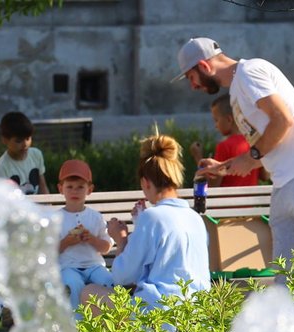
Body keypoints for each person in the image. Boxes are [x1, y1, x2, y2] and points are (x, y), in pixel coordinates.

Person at [172, 37, 294, 291]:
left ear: (204, 66)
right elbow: (269, 143)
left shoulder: (249, 73)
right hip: (285, 183)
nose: (192, 86)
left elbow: (282, 119)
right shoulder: (239, 86)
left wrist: (251, 156)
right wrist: (224, 166)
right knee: (286, 275)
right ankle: (290, 328)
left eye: (190, 77)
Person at [81, 134, 210, 314]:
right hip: (196, 316)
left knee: (89, 293)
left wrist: (121, 239)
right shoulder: (194, 218)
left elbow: (122, 277)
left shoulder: (152, 217)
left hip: (160, 319)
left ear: (145, 182)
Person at [55, 159, 113, 312]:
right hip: (69, 266)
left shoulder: (95, 217)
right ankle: (79, 326)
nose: (75, 191)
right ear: (61, 188)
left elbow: (106, 247)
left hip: (94, 265)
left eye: (80, 187)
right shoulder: (56, 219)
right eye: (70, 187)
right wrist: (67, 242)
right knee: (72, 284)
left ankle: (113, 323)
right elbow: (50, 251)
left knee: (108, 281)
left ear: (89, 189)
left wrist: (92, 239)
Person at [189, 95, 262, 187]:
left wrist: (198, 157)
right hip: (252, 199)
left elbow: (213, 185)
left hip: (228, 200)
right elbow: (264, 176)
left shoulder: (224, 146)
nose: (216, 125)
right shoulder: (255, 143)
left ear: (229, 119)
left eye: (216, 120)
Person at [0, 111, 50, 195]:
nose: (25, 144)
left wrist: (49, 206)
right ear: (5, 140)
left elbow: (43, 187)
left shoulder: (36, 155)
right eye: (18, 141)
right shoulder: (1, 169)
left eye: (28, 139)